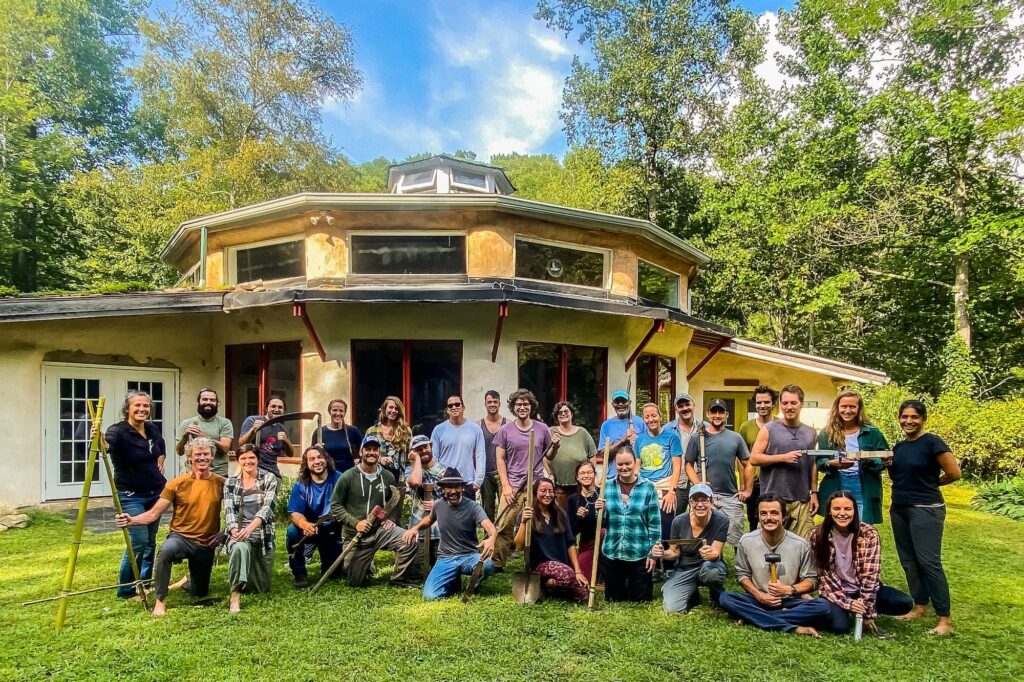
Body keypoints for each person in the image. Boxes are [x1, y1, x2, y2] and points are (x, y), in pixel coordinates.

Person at [115, 438, 225, 617]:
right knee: (165, 551)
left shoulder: (222, 483)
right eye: (198, 454)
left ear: (212, 457)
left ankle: (187, 582)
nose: (202, 458)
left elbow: (238, 510)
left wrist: (225, 532)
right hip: (180, 537)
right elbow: (153, 514)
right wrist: (131, 520)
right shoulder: (176, 483)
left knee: (200, 592)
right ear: (189, 457)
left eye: (206, 454)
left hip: (206, 542)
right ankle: (160, 602)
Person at [885, 399, 961, 636]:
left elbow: (954, 473)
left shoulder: (932, 442)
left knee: (928, 562)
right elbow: (897, 475)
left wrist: (930, 484)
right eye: (904, 417)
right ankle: (919, 606)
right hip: (900, 508)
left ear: (923, 419)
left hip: (926, 509)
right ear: (899, 419)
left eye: (914, 417)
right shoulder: (898, 447)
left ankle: (944, 619)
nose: (909, 421)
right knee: (909, 561)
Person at [717, 495, 830, 636]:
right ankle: (794, 627)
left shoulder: (800, 544)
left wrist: (789, 590)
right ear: (758, 516)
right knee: (726, 598)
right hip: (758, 599)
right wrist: (760, 596)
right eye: (763, 513)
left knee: (823, 607)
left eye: (774, 513)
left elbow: (811, 581)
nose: (768, 518)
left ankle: (753, 617)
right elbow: (742, 575)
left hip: (790, 601)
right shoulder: (746, 541)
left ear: (784, 517)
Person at [811, 491, 914, 635]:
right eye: (836, 509)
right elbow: (826, 580)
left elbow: (870, 576)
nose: (842, 513)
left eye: (847, 509)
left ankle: (858, 610)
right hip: (835, 591)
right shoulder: (817, 535)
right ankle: (844, 611)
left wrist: (867, 612)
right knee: (839, 627)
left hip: (861, 589)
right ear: (829, 511)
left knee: (903, 602)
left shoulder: (868, 534)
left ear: (855, 510)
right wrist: (849, 603)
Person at [329, 434, 418, 587]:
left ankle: (399, 579)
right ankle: (366, 565)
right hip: (356, 535)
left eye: (375, 449)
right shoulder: (347, 477)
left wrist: (391, 519)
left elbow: (395, 501)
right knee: (355, 581)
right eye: (368, 449)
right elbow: (335, 506)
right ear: (361, 452)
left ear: (379, 453)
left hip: (379, 531)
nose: (371, 452)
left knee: (408, 540)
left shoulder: (387, 476)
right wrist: (356, 523)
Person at [103, 390, 166, 599]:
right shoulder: (118, 431)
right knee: (138, 540)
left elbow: (160, 444)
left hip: (156, 492)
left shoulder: (151, 428)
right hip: (131, 495)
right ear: (127, 409)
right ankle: (127, 589)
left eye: (146, 406)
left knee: (150, 540)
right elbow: (106, 447)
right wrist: (99, 440)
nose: (142, 409)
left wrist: (161, 457)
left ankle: (145, 582)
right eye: (137, 405)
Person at [403, 467, 498, 600]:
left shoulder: (473, 507)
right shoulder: (438, 505)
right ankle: (452, 582)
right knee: (430, 596)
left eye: (456, 487)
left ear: (462, 488)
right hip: (445, 558)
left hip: (468, 556)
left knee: (488, 565)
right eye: (449, 487)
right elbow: (429, 520)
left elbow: (490, 527)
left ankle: (473, 584)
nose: (453, 491)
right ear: (443, 489)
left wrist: (491, 538)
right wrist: (415, 528)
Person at [492, 389, 552, 570]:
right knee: (503, 526)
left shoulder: (542, 429)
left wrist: (555, 446)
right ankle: (497, 563)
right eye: (518, 404)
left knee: (539, 524)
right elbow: (500, 459)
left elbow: (549, 455)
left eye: (526, 404)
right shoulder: (505, 430)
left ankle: (539, 561)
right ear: (513, 407)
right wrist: (506, 486)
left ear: (531, 406)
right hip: (514, 486)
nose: (522, 407)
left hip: (536, 486)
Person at [750, 385, 818, 539]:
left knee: (804, 546)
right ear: (780, 404)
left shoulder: (810, 432)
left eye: (793, 403)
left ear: (801, 404)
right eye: (785, 403)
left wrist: (814, 493)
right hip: (773, 499)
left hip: (801, 500)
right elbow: (754, 458)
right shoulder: (769, 429)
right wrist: (782, 457)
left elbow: (813, 463)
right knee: (771, 545)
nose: (789, 407)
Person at [595, 446, 661, 602]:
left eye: (628, 463)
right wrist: (599, 511)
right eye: (620, 464)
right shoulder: (606, 487)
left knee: (640, 600)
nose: (624, 467)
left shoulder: (648, 487)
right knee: (613, 599)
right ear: (615, 465)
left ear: (635, 463)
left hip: (638, 553)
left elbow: (654, 524)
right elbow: (602, 522)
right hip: (613, 552)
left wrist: (653, 553)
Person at [684, 398, 753, 546]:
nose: (717, 415)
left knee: (736, 540)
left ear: (727, 415)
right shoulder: (698, 437)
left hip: (730, 497)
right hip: (705, 498)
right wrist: (698, 484)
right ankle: (709, 567)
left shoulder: (735, 438)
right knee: (703, 537)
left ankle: (739, 569)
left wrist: (747, 490)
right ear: (708, 415)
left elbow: (748, 464)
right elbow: (688, 465)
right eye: (713, 412)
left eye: (721, 412)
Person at [815, 390, 889, 523]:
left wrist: (869, 459)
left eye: (852, 406)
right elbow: (819, 461)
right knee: (837, 527)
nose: (847, 410)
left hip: (863, 485)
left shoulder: (872, 432)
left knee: (863, 527)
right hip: (836, 484)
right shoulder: (827, 433)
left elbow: (885, 460)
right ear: (837, 408)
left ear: (859, 408)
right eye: (844, 406)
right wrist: (831, 463)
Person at [223, 446, 278, 612]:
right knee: (240, 548)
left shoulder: (269, 478)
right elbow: (229, 510)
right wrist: (234, 530)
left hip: (262, 534)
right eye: (244, 458)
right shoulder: (230, 483)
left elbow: (268, 508)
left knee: (260, 588)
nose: (248, 461)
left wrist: (251, 527)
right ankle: (235, 596)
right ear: (238, 461)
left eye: (252, 457)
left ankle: (246, 574)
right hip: (239, 533)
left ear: (258, 459)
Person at [516, 477, 589, 602]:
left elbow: (570, 544)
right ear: (535, 493)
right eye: (543, 491)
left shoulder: (560, 514)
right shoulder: (527, 515)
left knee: (583, 593)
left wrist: (578, 572)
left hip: (562, 566)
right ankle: (544, 582)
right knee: (568, 577)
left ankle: (548, 585)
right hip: (540, 566)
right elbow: (519, 546)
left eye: (551, 491)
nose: (548, 494)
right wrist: (523, 522)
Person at [661, 483, 728, 614]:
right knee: (672, 609)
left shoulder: (722, 521)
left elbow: (716, 552)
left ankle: (716, 595)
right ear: (690, 502)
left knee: (712, 573)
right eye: (695, 500)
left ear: (712, 502)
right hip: (685, 568)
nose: (700, 504)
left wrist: (710, 554)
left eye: (704, 500)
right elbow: (674, 552)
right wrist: (662, 553)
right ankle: (691, 594)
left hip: (709, 565)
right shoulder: (678, 521)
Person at [631, 403, 683, 563]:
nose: (650, 419)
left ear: (660, 416)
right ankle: (648, 561)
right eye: (646, 416)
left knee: (666, 525)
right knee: (645, 524)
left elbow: (677, 466)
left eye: (654, 415)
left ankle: (667, 565)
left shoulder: (672, 437)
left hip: (665, 486)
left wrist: (672, 492)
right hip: (646, 486)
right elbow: (637, 465)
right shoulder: (640, 440)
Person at [286, 446, 343, 589]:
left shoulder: (339, 479)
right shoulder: (300, 485)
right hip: (308, 529)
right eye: (312, 459)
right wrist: (304, 525)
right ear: (306, 463)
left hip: (332, 530)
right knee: (292, 532)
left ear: (326, 460)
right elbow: (295, 514)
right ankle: (300, 573)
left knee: (333, 574)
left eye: (319, 457)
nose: (317, 462)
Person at [738, 386, 777, 531]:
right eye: (759, 402)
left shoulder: (780, 425)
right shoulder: (746, 427)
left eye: (766, 402)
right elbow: (741, 460)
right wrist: (743, 485)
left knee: (774, 518)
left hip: (775, 481)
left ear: (773, 404)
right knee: (753, 519)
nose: (762, 406)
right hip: (754, 483)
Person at [546, 401, 596, 511]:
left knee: (581, 514)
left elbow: (592, 456)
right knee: (562, 517)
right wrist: (550, 473)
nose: (563, 414)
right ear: (556, 416)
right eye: (559, 412)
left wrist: (591, 476)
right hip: (559, 486)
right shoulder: (551, 432)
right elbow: (544, 456)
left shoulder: (583, 432)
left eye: (566, 411)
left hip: (581, 486)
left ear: (571, 414)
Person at [430, 394, 486, 494]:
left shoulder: (475, 429)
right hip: (445, 483)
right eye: (450, 406)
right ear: (447, 410)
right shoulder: (438, 430)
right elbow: (434, 458)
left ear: (463, 407)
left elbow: (480, 456)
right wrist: (437, 479)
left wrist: (478, 481)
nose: (454, 407)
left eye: (457, 404)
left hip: (467, 483)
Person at [405, 434, 446, 568]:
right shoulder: (410, 471)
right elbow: (416, 482)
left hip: (440, 531)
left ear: (431, 446)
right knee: (418, 570)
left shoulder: (444, 471)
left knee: (439, 567)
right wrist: (416, 459)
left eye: (425, 447)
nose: (423, 451)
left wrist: (437, 504)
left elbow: (453, 500)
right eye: (418, 449)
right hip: (419, 530)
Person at [174, 388, 233, 476]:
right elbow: (179, 451)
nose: (208, 402)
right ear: (198, 402)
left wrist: (205, 437)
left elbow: (225, 448)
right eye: (205, 399)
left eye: (212, 400)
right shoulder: (186, 423)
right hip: (193, 473)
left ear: (217, 403)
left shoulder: (224, 423)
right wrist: (185, 436)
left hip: (218, 474)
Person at [667, 392, 706, 514]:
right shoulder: (668, 430)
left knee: (701, 516)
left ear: (693, 405)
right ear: (676, 409)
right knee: (676, 516)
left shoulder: (705, 428)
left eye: (687, 404)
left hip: (700, 479)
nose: (685, 408)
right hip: (679, 482)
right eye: (681, 406)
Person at [239, 395, 294, 478]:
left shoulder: (281, 428)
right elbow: (241, 444)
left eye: (280, 407)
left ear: (283, 410)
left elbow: (290, 454)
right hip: (255, 471)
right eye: (273, 406)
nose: (276, 409)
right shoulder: (253, 420)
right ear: (266, 408)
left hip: (273, 473)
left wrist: (286, 441)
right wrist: (253, 429)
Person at [365, 395, 411, 484]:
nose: (393, 411)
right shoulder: (372, 431)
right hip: (377, 479)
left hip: (400, 480)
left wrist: (408, 478)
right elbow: (363, 454)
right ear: (384, 409)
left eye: (396, 408)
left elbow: (410, 458)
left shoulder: (406, 431)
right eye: (391, 407)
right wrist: (379, 459)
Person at [596, 389, 644, 475]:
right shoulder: (607, 425)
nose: (621, 404)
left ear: (629, 402)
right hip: (614, 477)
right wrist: (623, 440)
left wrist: (637, 441)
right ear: (613, 404)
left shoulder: (640, 422)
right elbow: (603, 455)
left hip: (637, 476)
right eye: (617, 402)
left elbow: (648, 448)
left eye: (624, 401)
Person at [568, 460, 602, 578]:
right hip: (587, 544)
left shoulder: (603, 494)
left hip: (606, 541)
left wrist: (605, 510)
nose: (586, 475)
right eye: (582, 473)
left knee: (603, 532)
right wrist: (579, 518)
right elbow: (571, 532)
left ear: (594, 474)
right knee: (582, 578)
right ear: (577, 477)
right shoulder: (573, 499)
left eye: (589, 472)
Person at [312, 399, 363, 474]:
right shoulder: (319, 432)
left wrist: (359, 462)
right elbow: (311, 456)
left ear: (345, 413)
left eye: (341, 411)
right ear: (330, 411)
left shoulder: (353, 431)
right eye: (335, 410)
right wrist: (316, 451)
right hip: (327, 476)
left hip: (348, 476)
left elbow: (365, 451)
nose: (338, 413)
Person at [478, 390, 507, 522]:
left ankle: (503, 538)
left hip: (503, 474)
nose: (492, 404)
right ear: (485, 404)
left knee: (505, 508)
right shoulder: (478, 425)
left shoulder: (509, 424)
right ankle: (488, 538)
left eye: (495, 402)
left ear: (499, 404)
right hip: (486, 473)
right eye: (489, 402)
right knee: (487, 509)